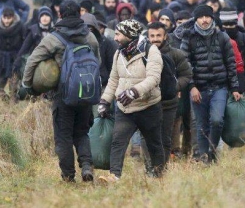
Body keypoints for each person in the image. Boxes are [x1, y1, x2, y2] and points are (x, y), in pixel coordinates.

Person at [20, 0, 99, 183]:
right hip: (86, 93)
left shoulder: (53, 39)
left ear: (60, 14)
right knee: (81, 133)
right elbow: (97, 63)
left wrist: (27, 85)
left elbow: (32, 61)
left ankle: (68, 176)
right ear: (80, 13)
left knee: (63, 136)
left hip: (63, 96)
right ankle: (87, 166)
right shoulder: (90, 37)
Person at [97, 19, 164, 183]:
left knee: (153, 144)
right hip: (125, 108)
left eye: (118, 34)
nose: (115, 38)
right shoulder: (118, 53)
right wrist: (105, 101)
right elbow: (113, 80)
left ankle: (157, 174)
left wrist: (135, 91)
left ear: (129, 34)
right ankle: (114, 176)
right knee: (118, 142)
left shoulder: (151, 51)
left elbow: (154, 78)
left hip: (149, 107)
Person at [180, 5, 242, 164]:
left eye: (207, 17)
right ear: (196, 19)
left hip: (219, 87)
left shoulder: (222, 37)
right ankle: (204, 158)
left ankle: (212, 151)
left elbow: (231, 63)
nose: (205, 20)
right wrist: (192, 86)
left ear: (212, 18)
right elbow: (184, 65)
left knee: (216, 120)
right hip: (198, 88)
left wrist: (235, 87)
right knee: (201, 125)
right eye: (201, 17)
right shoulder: (189, 38)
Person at [145, 22, 193, 165]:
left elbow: (186, 74)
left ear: (165, 36)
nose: (155, 39)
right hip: (147, 103)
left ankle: (162, 168)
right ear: (148, 37)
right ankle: (149, 167)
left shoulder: (176, 54)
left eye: (158, 35)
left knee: (165, 138)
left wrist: (174, 87)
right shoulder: (143, 54)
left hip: (169, 104)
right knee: (147, 136)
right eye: (152, 36)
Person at [0, 7, 25, 101]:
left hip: (15, 57)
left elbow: (25, 42)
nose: (6, 21)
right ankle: (5, 100)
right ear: (2, 17)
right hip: (0, 59)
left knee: (14, 86)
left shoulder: (20, 26)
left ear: (13, 17)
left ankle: (13, 107)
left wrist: (21, 56)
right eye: (5, 18)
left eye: (9, 18)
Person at [13, 6, 53, 79]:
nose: (44, 18)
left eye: (47, 15)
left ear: (51, 17)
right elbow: (25, 47)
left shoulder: (54, 30)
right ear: (39, 18)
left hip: (52, 61)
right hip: (36, 60)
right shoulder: (34, 30)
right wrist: (17, 61)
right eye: (42, 15)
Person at [82, 13, 118, 88]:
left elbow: (111, 67)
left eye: (90, 28)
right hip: (81, 83)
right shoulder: (75, 42)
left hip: (102, 84)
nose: (88, 32)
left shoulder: (106, 42)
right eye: (85, 28)